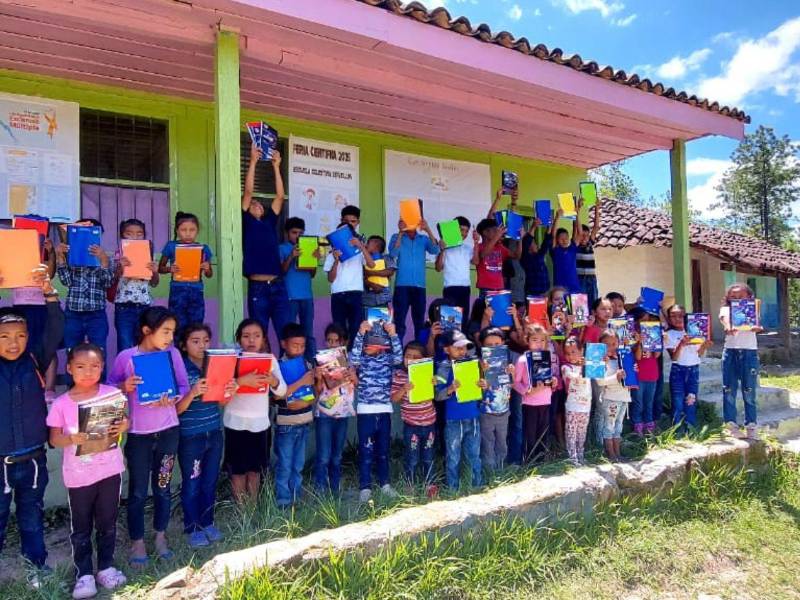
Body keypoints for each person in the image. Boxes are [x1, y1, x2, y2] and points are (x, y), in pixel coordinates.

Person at [108, 307, 190, 565]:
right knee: (138, 491)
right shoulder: (126, 357)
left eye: (172, 332)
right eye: (165, 331)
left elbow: (184, 386)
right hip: (138, 437)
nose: (170, 338)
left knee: (163, 486)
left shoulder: (173, 354)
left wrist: (172, 397)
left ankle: (160, 536)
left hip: (168, 432)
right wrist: (124, 386)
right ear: (147, 330)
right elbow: (108, 387)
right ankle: (137, 542)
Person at [47, 344, 128, 598]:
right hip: (79, 476)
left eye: (95, 366)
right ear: (69, 368)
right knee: (81, 526)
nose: (88, 372)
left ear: (102, 367)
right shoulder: (61, 403)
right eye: (80, 367)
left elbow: (125, 421)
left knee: (107, 522)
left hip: (110, 470)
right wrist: (73, 438)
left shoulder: (111, 394)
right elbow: (54, 439)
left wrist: (124, 424)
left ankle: (105, 567)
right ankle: (84, 575)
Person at [0, 270, 62, 579]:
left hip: (33, 461)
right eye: (5, 337)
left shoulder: (35, 359)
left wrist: (50, 293)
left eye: (21, 336)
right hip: (1, 463)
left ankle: (36, 566)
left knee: (32, 517)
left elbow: (54, 329)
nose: (14, 343)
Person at [176, 324, 236, 548]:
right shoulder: (180, 368)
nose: (202, 345)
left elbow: (221, 403)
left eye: (206, 340)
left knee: (210, 482)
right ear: (184, 345)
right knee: (192, 483)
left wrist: (229, 391)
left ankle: (208, 522)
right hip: (191, 437)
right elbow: (176, 410)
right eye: (195, 341)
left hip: (214, 432)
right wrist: (193, 392)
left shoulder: (214, 365)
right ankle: (192, 528)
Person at [222, 319, 286, 503]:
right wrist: (242, 381)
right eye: (246, 336)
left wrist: (273, 381)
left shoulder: (270, 359)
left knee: (255, 470)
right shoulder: (232, 359)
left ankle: (252, 508)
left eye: (256, 336)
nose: (251, 340)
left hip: (260, 424)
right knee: (238, 471)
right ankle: (242, 513)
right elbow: (222, 391)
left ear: (263, 339)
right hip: (235, 423)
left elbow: (282, 391)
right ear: (239, 339)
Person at [242, 144, 290, 342]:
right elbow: (248, 192)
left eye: (259, 203)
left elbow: (280, 196)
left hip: (278, 286)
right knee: (258, 336)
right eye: (253, 203)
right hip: (258, 287)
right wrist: (253, 161)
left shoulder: (270, 221)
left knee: (285, 333)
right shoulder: (246, 221)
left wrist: (276, 166)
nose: (256, 204)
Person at [351, 319, 403, 502]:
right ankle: (365, 487)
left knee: (383, 450)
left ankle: (385, 484)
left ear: (380, 344)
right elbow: (353, 359)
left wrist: (393, 334)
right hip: (365, 412)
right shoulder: (362, 360)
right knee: (365, 451)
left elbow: (399, 358)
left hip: (384, 412)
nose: (365, 345)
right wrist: (360, 333)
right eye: (364, 342)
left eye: (368, 342)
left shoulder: (387, 359)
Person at [56, 217, 114, 372]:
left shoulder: (105, 257)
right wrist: (61, 257)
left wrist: (103, 261)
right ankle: (73, 386)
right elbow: (66, 281)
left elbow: (108, 282)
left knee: (99, 351)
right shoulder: (71, 256)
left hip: (97, 313)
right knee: (72, 351)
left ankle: (100, 386)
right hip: (74, 313)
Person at [435, 330, 484, 490]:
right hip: (453, 420)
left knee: (474, 455)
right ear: (446, 349)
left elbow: (483, 390)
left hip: (473, 416)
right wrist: (449, 389)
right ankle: (452, 489)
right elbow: (437, 396)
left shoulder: (474, 363)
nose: (462, 351)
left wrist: (484, 379)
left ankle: (476, 486)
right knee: (453, 457)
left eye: (464, 347)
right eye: (457, 348)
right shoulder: (443, 367)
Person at [274, 323, 315, 509]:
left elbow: (312, 393)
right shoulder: (278, 367)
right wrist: (302, 381)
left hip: (305, 421)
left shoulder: (307, 364)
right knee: (284, 465)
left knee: (298, 465)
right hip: (286, 424)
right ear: (283, 344)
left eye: (302, 346)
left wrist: (317, 378)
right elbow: (281, 398)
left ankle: (296, 497)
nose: (299, 349)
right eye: (295, 345)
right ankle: (283, 501)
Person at [314, 323, 356, 494]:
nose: (332, 344)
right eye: (329, 341)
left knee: (337, 456)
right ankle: (320, 491)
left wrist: (352, 376)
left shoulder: (351, 360)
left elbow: (356, 384)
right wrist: (318, 378)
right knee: (323, 456)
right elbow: (318, 391)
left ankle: (335, 490)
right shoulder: (320, 360)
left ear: (344, 342)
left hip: (343, 412)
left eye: (336, 341)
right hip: (324, 413)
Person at [324, 206, 375, 344]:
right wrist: (335, 260)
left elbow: (371, 265)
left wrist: (360, 246)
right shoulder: (332, 253)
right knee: (338, 329)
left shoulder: (358, 249)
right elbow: (330, 278)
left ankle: (354, 358)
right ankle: (340, 358)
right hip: (338, 294)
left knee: (355, 327)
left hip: (355, 293)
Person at [391, 341, 438, 493]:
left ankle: (429, 485)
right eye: (408, 356)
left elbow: (437, 394)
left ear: (423, 359)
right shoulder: (399, 375)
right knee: (411, 458)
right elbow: (394, 399)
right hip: (411, 425)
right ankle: (409, 486)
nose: (410, 359)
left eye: (416, 357)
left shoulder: (428, 373)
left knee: (428, 456)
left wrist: (435, 383)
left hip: (429, 423)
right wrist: (404, 389)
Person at [719, 283, 762, 439]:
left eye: (740, 296)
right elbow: (724, 320)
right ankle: (731, 425)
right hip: (730, 352)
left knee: (749, 390)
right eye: (733, 296)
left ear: (749, 296)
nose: (736, 298)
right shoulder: (726, 310)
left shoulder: (753, 308)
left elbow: (757, 324)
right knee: (729, 389)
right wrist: (729, 326)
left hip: (749, 352)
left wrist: (757, 327)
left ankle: (751, 425)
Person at [158, 212, 213, 332]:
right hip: (178, 290)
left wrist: (207, 268)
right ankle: (179, 350)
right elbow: (160, 268)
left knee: (196, 324)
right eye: (183, 230)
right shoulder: (171, 246)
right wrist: (169, 269)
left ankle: (193, 349)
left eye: (192, 230)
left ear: (197, 231)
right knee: (177, 324)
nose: (188, 233)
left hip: (196, 290)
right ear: (177, 231)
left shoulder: (203, 248)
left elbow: (209, 275)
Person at [389, 217, 440, 342]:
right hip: (402, 286)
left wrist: (427, 229)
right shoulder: (396, 237)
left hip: (420, 287)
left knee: (419, 321)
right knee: (399, 320)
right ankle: (398, 352)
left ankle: (420, 351)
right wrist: (401, 233)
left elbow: (435, 250)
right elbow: (393, 254)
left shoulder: (423, 239)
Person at [514, 325, 559, 463]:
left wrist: (553, 382)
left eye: (542, 340)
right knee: (530, 434)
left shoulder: (547, 357)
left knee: (543, 433)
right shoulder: (522, 360)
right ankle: (529, 463)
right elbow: (515, 382)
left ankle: (541, 462)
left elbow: (550, 378)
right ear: (527, 340)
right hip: (530, 403)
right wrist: (528, 391)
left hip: (545, 401)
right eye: (535, 340)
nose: (539, 344)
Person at [113, 218, 159, 352]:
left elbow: (154, 283)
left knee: (143, 344)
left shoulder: (148, 254)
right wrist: (120, 267)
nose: (135, 237)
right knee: (125, 344)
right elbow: (113, 279)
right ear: (122, 236)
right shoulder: (118, 255)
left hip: (144, 306)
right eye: (129, 233)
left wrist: (154, 272)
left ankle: (142, 373)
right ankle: (126, 372)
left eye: (139, 234)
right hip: (124, 307)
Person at [665, 304, 712, 433]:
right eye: (673, 316)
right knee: (678, 401)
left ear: (685, 316)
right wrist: (681, 344)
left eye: (680, 315)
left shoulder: (695, 330)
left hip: (693, 370)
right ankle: (677, 431)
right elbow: (674, 357)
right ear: (668, 318)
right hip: (678, 371)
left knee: (691, 400)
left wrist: (704, 346)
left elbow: (699, 353)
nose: (677, 318)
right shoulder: (668, 334)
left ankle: (691, 429)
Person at [279, 217, 317, 362]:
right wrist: (291, 256)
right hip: (289, 297)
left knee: (308, 333)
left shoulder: (308, 247)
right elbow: (281, 272)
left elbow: (312, 274)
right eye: (294, 232)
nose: (297, 236)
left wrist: (314, 260)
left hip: (306, 296)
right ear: (287, 233)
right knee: (289, 334)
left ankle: (311, 366)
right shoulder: (282, 248)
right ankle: (286, 366)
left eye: (301, 233)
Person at [478, 327, 514, 472]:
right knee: (487, 444)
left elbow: (512, 385)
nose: (494, 348)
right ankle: (489, 472)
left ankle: (500, 470)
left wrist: (513, 373)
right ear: (482, 347)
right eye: (489, 345)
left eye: (497, 344)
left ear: (503, 343)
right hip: (486, 412)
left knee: (502, 443)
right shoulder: (479, 364)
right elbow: (476, 388)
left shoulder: (507, 364)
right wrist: (482, 372)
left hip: (504, 411)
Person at [595, 330, 630, 462]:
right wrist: (616, 377)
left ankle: (618, 454)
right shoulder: (601, 362)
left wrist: (632, 371)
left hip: (624, 397)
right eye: (606, 345)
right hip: (611, 398)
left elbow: (628, 378)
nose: (611, 347)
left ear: (618, 343)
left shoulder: (622, 359)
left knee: (618, 427)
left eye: (614, 344)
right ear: (600, 346)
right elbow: (600, 381)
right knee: (609, 427)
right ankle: (611, 455)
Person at [435, 216, 473, 325]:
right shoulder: (445, 247)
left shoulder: (468, 248)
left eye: (466, 231)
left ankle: (463, 341)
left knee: (464, 319)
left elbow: (475, 261)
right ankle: (450, 341)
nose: (464, 233)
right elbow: (438, 268)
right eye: (461, 230)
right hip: (450, 288)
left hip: (465, 288)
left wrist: (475, 242)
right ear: (454, 229)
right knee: (450, 320)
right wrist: (442, 250)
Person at [630, 308, 661, 436]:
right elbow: (637, 357)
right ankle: (637, 424)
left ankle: (649, 423)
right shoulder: (633, 336)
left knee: (649, 401)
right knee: (638, 402)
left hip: (652, 374)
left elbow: (657, 355)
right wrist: (639, 342)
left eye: (648, 320)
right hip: (639, 375)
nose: (646, 323)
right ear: (636, 322)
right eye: (643, 320)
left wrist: (658, 341)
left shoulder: (653, 332)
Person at [561, 337, 591, 465]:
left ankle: (581, 456)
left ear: (581, 350)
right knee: (571, 433)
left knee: (582, 433)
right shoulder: (566, 367)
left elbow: (601, 374)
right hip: (572, 407)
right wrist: (583, 368)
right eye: (567, 353)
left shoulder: (588, 365)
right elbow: (575, 377)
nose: (570, 356)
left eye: (573, 352)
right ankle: (572, 458)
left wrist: (603, 363)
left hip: (586, 406)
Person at [474, 219, 520, 297]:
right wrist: (497, 236)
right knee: (486, 309)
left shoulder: (499, 247)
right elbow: (483, 254)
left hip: (500, 286)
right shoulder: (479, 246)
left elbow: (516, 255)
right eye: (494, 231)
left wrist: (520, 240)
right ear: (485, 233)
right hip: (486, 287)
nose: (497, 233)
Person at [548, 205, 582, 294]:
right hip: (559, 289)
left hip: (574, 288)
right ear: (557, 240)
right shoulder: (555, 250)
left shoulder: (572, 248)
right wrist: (557, 217)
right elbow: (553, 234)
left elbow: (580, 233)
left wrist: (577, 214)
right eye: (561, 238)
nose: (564, 240)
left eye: (566, 238)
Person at [576, 198, 602, 306]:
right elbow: (577, 228)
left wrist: (597, 208)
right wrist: (578, 211)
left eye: (587, 235)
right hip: (580, 278)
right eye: (582, 235)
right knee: (581, 306)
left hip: (591, 278)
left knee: (593, 303)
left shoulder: (590, 243)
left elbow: (596, 227)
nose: (585, 238)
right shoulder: (576, 246)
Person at [520, 218, 551, 298]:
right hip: (532, 292)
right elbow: (527, 241)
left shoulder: (539, 255)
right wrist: (533, 226)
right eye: (533, 243)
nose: (535, 244)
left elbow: (546, 242)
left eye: (535, 243)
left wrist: (549, 225)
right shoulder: (525, 257)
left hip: (545, 291)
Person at [362, 235, 396, 309]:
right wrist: (372, 284)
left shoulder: (386, 258)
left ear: (376, 246)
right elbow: (361, 275)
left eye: (368, 243)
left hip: (383, 299)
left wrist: (370, 273)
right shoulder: (363, 259)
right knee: (365, 320)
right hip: (366, 300)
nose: (366, 245)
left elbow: (390, 271)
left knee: (382, 320)